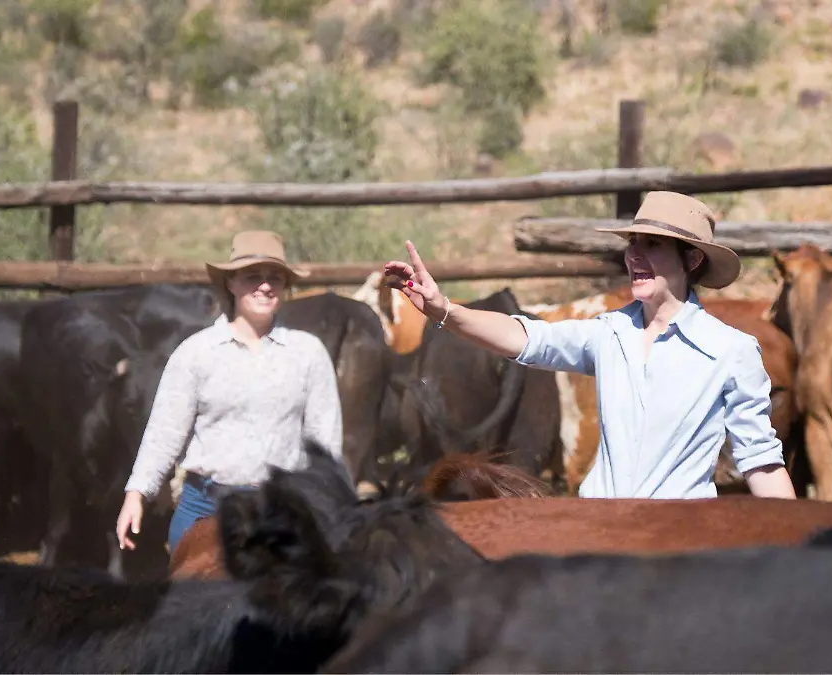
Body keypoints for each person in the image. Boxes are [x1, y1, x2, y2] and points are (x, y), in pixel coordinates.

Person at [384, 191, 796, 499]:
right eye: (632, 244)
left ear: (691, 260)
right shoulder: (608, 333)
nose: (635, 255)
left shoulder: (731, 351)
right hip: (598, 538)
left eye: (652, 244)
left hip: (679, 548)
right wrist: (443, 309)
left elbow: (761, 462)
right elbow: (525, 336)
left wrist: (794, 554)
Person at [115, 230, 345, 554]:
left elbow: (325, 442)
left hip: (281, 511)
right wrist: (137, 493)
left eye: (275, 278)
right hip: (205, 508)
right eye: (253, 276)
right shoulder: (196, 353)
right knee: (192, 601)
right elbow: (165, 432)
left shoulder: (308, 354)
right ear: (231, 283)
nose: (265, 286)